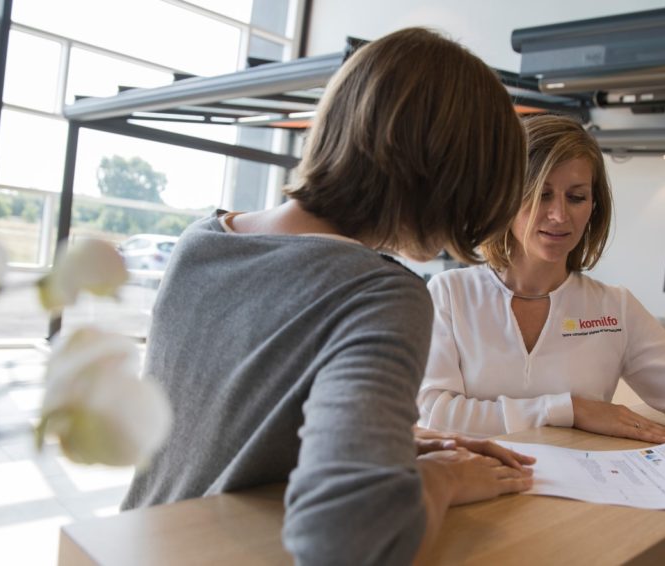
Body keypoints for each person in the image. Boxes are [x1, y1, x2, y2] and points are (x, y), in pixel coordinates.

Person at [122, 28, 536, 564]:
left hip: (135, 547)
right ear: (444, 177)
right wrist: (440, 479)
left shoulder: (201, 241)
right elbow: (354, 542)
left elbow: (222, 428)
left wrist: (385, 445)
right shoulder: (381, 292)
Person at [418, 114, 665, 516]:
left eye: (576, 197)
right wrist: (574, 409)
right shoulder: (451, 294)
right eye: (541, 195)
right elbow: (436, 416)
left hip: (577, 512)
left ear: (594, 206)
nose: (559, 216)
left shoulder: (614, 307)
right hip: (471, 509)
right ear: (504, 198)